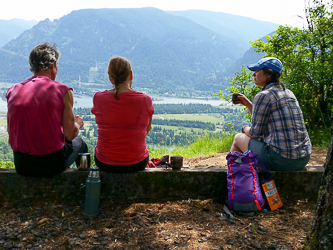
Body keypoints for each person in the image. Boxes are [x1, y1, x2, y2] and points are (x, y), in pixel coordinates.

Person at [6, 42, 88, 177]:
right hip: (51, 164)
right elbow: (70, 134)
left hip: (21, 163)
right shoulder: (62, 90)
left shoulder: (13, 90)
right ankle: (82, 184)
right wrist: (77, 124)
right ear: (53, 65)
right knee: (80, 145)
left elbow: (12, 131)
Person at [230, 57, 311, 171]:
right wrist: (249, 104)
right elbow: (264, 122)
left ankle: (235, 179)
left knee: (238, 138)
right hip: (303, 158)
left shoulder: (264, 95)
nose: (253, 74)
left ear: (269, 74)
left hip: (281, 160)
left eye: (257, 71)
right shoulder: (288, 93)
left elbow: (255, 133)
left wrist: (244, 129)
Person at [91, 56, 154, 173]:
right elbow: (146, 129)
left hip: (104, 162)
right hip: (137, 163)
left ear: (110, 78)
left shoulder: (98, 98)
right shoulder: (145, 99)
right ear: (131, 75)